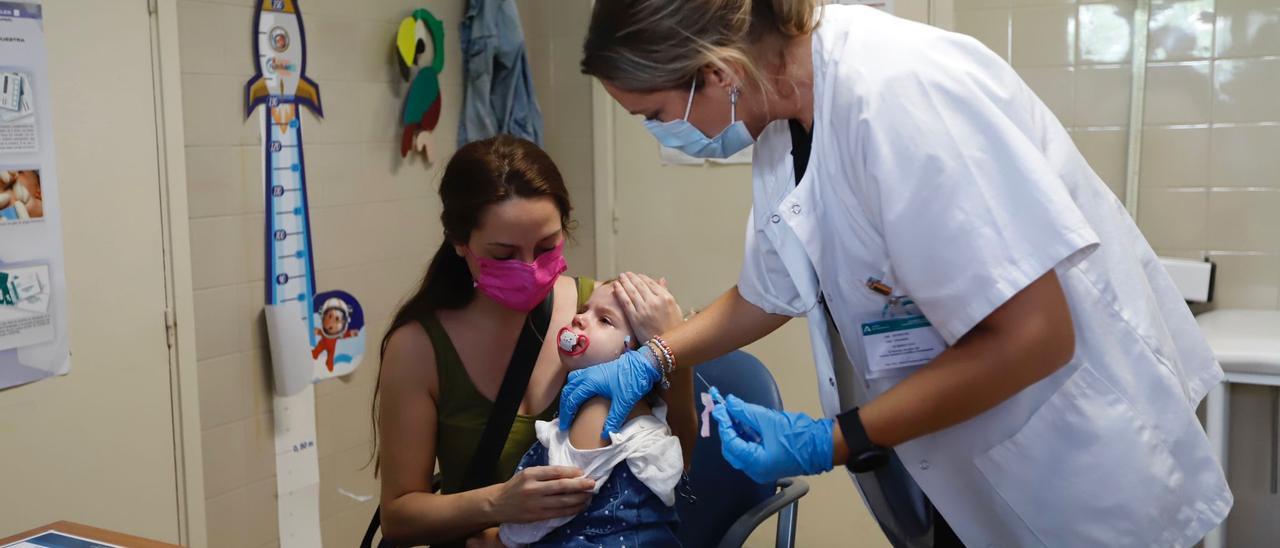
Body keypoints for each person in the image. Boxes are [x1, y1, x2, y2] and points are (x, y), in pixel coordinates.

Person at [561, 1, 1233, 546]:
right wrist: (655, 355)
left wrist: (835, 438)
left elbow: (1035, 336)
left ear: (717, 73)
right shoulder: (782, 121)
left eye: (654, 115)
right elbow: (771, 290)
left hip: (1064, 469)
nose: (663, 133)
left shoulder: (898, 94)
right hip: (960, 467)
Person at [372, 135, 686, 547]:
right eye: (503, 254)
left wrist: (675, 349)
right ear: (458, 241)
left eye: (545, 247)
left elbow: (674, 460)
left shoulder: (604, 314)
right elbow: (398, 519)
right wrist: (499, 503)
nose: (531, 269)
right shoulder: (417, 349)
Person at [494, 281, 694, 547]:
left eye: (604, 320)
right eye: (584, 309)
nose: (579, 318)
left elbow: (555, 503)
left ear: (632, 350)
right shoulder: (650, 407)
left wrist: (500, 540)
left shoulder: (600, 407)